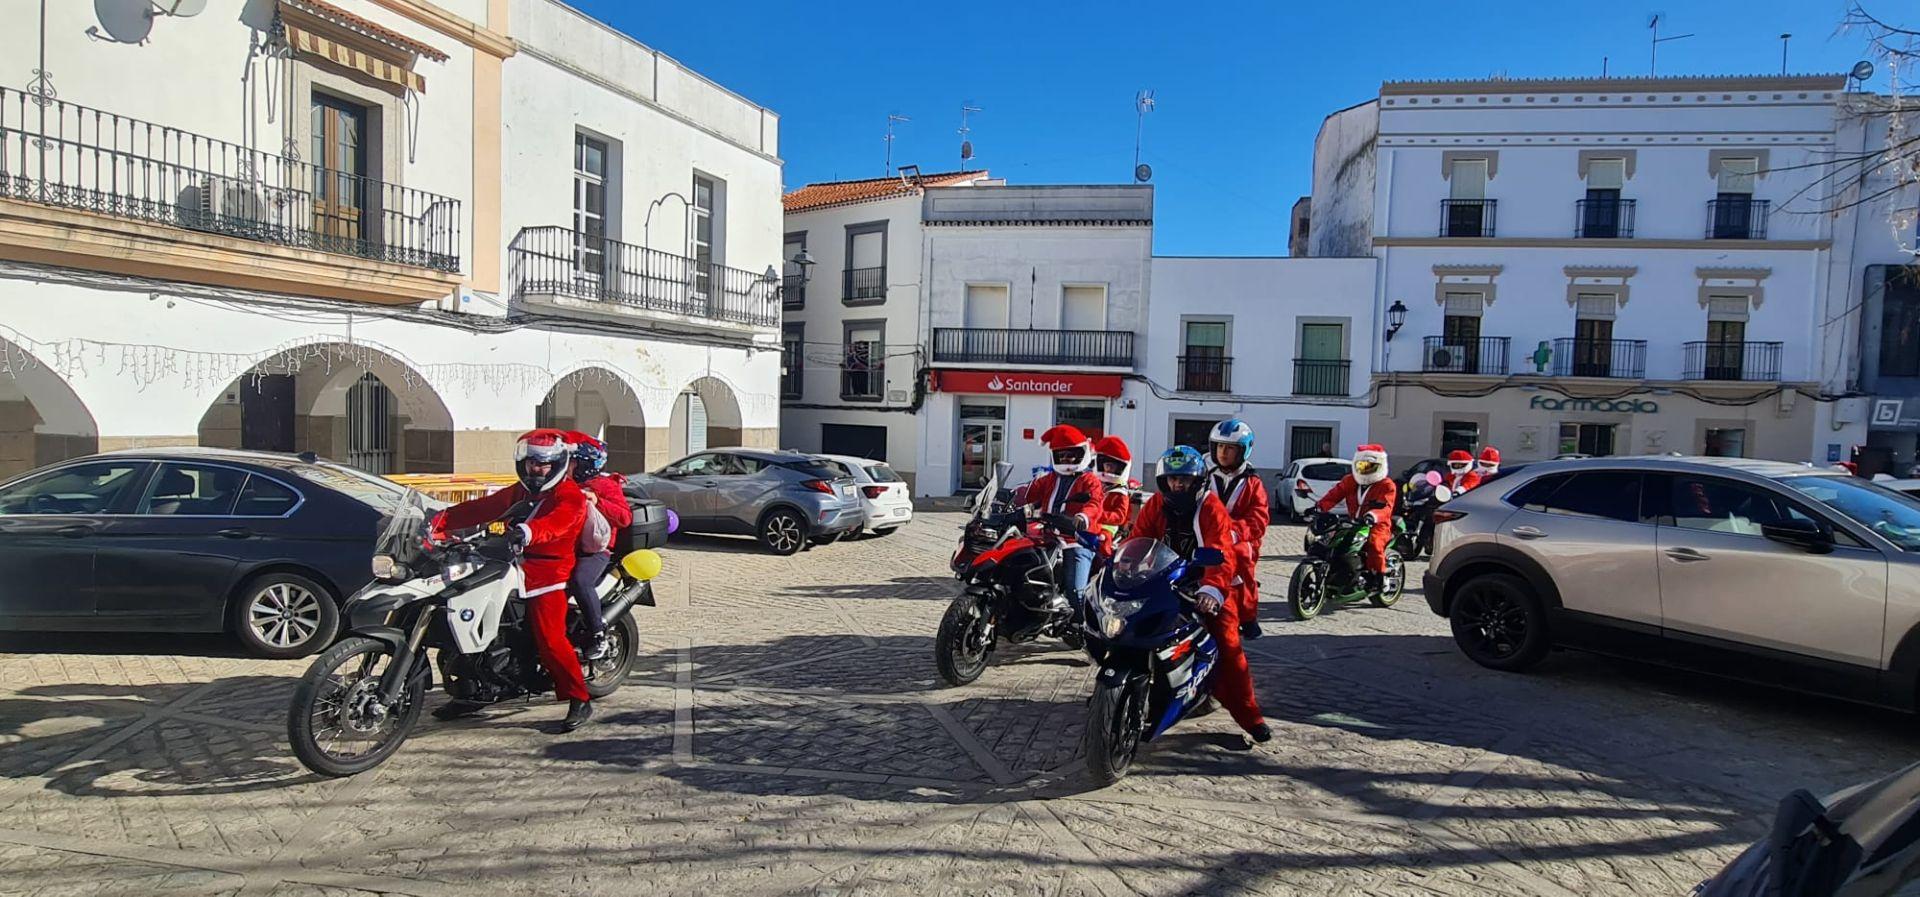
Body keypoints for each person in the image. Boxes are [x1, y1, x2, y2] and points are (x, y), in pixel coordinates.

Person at [432, 429, 595, 732]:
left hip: (547, 572)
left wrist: (527, 532)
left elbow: (557, 524)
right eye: (531, 463)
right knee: (458, 614)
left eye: (542, 464)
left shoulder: (569, 495)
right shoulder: (521, 491)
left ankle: (579, 697)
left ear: (558, 463)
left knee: (550, 639)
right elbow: (484, 507)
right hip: (505, 563)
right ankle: (470, 691)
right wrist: (440, 520)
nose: (536, 469)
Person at [1129, 446, 1270, 743]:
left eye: (1185, 479)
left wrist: (1212, 589)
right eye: (1172, 479)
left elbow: (1221, 552)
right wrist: (1124, 566)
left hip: (1209, 584)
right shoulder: (1156, 503)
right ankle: (1121, 692)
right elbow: (1138, 538)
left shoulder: (1211, 506)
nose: (1178, 485)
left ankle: (1250, 716)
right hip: (1165, 579)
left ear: (1198, 480)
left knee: (1229, 649)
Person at [564, 431, 633, 662]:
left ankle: (597, 634)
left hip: (594, 550)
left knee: (580, 581)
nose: (567, 466)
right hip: (564, 547)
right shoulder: (563, 483)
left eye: (572, 462)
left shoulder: (605, 485)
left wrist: (597, 500)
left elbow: (624, 517)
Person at [1023, 425, 1105, 611]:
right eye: (1062, 455)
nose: (1067, 459)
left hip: (1077, 539)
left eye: (1071, 455)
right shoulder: (1051, 477)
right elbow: (1029, 493)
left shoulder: (1089, 480)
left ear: (1081, 453)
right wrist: (1010, 497)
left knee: (1076, 590)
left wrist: (1084, 516)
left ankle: (1082, 627)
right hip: (1048, 535)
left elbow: (1095, 503)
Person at [1206, 419, 1269, 641]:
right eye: (1220, 446)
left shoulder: (1253, 483)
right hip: (1203, 532)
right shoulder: (1202, 474)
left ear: (1243, 450)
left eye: (1230, 448)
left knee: (1242, 564)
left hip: (1238, 538)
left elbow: (1259, 518)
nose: (1223, 452)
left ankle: (1248, 617)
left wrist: (1235, 532)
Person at [1313, 444, 1398, 593]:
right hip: (1353, 522)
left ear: (1379, 466)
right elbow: (1335, 494)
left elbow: (1386, 507)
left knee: (1374, 544)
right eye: (1361, 465)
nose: (1364, 469)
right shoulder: (1350, 480)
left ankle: (1380, 577)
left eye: (1369, 466)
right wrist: (1320, 507)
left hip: (1377, 524)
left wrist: (1373, 515)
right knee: (1331, 540)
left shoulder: (1386, 485)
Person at [1092, 435, 1141, 549]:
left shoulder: (1120, 492)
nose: (1108, 469)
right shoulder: (1096, 485)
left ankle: (1102, 565)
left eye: (1112, 466)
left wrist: (1099, 515)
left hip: (1108, 528)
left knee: (1102, 544)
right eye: (1106, 465)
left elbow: (1120, 517)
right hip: (1090, 523)